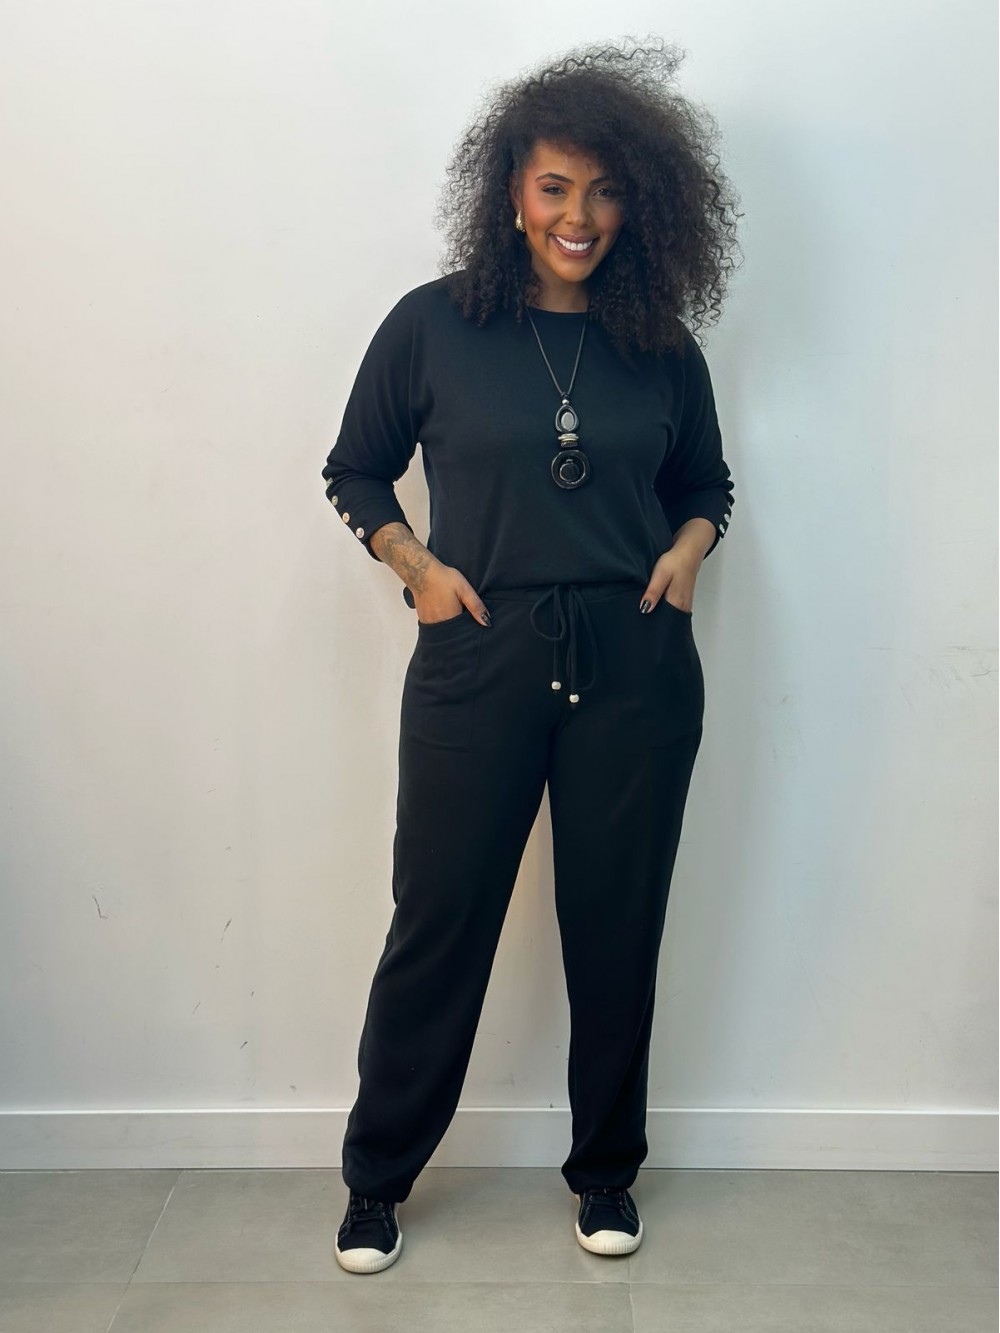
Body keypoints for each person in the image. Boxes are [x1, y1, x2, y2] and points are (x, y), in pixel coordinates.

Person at [321, 38, 741, 1274]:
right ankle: (376, 1178)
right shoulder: (432, 326)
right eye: (555, 186)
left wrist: (690, 548)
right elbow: (355, 468)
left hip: (634, 662)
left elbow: (705, 482)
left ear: (639, 204)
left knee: (617, 926)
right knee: (438, 920)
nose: (578, 216)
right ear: (510, 191)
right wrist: (416, 566)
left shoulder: (660, 344)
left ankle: (606, 1172)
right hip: (478, 654)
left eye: (605, 192)